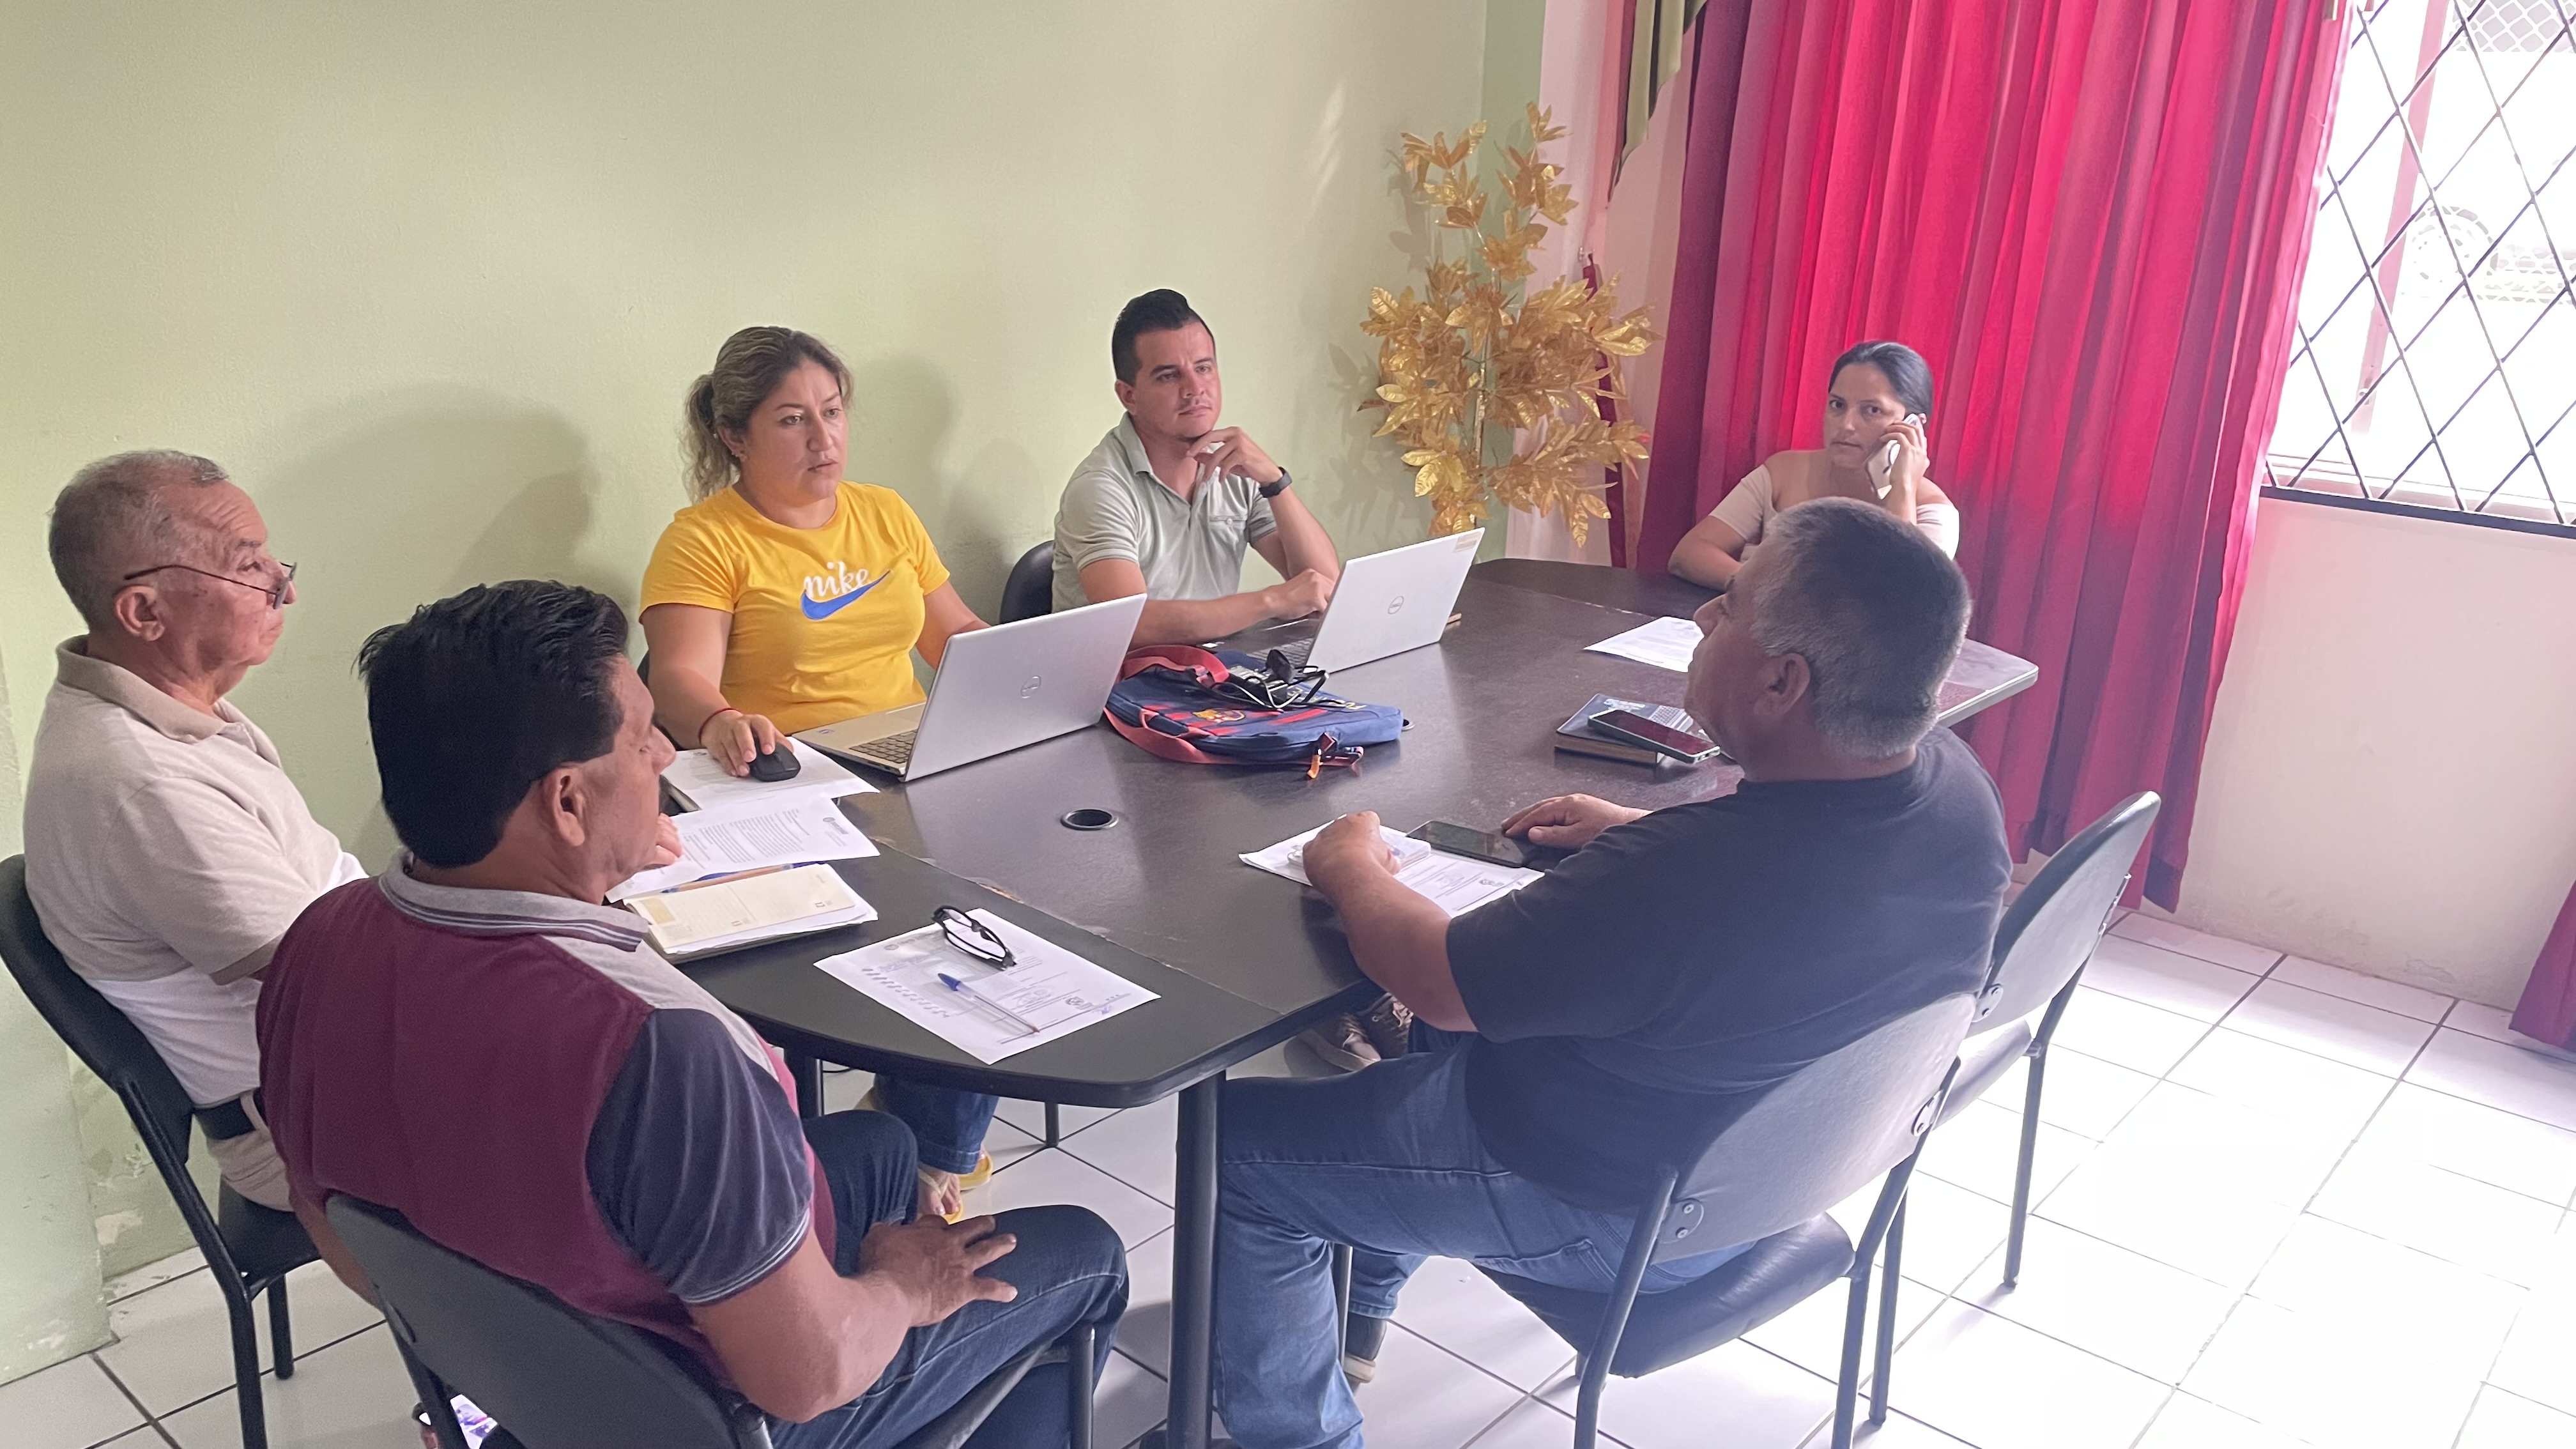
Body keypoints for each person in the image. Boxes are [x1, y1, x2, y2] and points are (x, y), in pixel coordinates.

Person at [1202, 500, 2011, 1449]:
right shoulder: (1957, 794)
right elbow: (1789, 888)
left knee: (1232, 1152)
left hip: (1614, 1209)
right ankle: (1363, 1299)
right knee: (1432, 1051)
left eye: (1731, 606)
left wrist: (1347, 864)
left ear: (1782, 680)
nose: (1704, 615)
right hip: (1782, 1174)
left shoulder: (1687, 878)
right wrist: (1641, 831)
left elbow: (1439, 985)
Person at [258, 581, 1126, 1446]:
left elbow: (335, 1224)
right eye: (643, 740)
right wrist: (900, 1291)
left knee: (885, 1146)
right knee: (1085, 1253)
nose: (666, 759)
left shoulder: (319, 941)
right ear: (567, 803)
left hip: (539, 1372)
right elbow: (807, 1378)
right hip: (710, 1415)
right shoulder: (659, 1048)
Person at [640, 325, 999, 1215]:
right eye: (793, 420)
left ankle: (922, 1139)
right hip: (795, 784)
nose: (825, 439)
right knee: (956, 909)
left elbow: (954, 635)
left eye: (833, 413)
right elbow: (677, 679)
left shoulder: (885, 514)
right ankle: (927, 1157)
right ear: (735, 436)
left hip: (909, 762)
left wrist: (1029, 664)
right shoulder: (704, 539)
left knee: (1013, 898)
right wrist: (719, 719)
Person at [21, 450, 360, 1213]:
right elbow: (335, 981)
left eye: (272, 559)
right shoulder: (140, 783)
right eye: (249, 567)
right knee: (613, 1102)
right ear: (144, 613)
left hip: (342, 1058)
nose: (285, 587)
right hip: (308, 1124)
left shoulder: (161, 707)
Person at [1052, 289, 1342, 643]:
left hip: (1210, 668)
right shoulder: (1099, 488)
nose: (1195, 389)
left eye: (1203, 368)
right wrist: (1271, 601)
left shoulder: (1237, 466)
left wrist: (1274, 481)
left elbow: (1324, 585)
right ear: (1129, 396)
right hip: (1120, 675)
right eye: (1169, 376)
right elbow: (1131, 624)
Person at [1668, 340, 1961, 590]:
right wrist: (1769, 591)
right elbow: (1689, 554)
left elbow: (1898, 598)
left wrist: (1903, 488)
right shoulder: (1784, 472)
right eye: (1838, 405)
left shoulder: (1933, 513)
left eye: (1872, 410)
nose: (1846, 425)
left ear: (1913, 426)